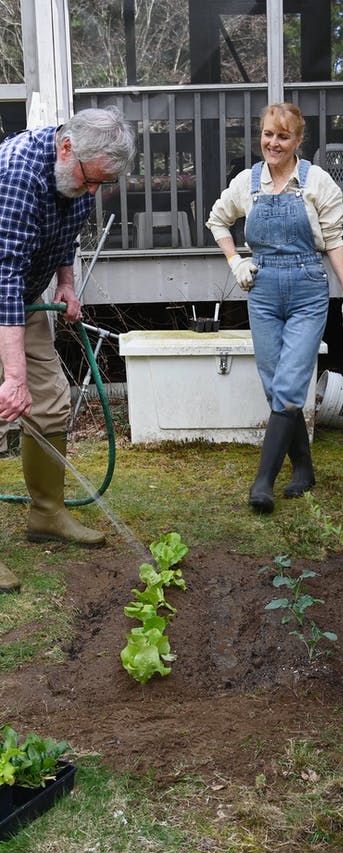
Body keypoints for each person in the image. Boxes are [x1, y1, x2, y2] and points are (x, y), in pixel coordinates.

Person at [0, 105, 136, 592]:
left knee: (50, 403)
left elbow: (64, 236)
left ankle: (47, 513)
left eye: (103, 185)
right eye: (91, 181)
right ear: (65, 149)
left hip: (25, 298)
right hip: (4, 291)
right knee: (6, 403)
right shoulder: (18, 170)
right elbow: (4, 275)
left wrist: (67, 285)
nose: (93, 192)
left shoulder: (75, 175)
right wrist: (12, 376)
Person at [206, 102, 343, 514]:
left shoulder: (317, 182)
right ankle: (304, 470)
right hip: (262, 289)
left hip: (308, 289)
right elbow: (217, 221)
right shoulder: (247, 182)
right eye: (268, 134)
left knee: (290, 383)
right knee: (276, 384)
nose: (273, 143)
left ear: (298, 141)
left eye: (283, 136)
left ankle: (263, 482)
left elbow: (333, 239)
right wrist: (235, 260)